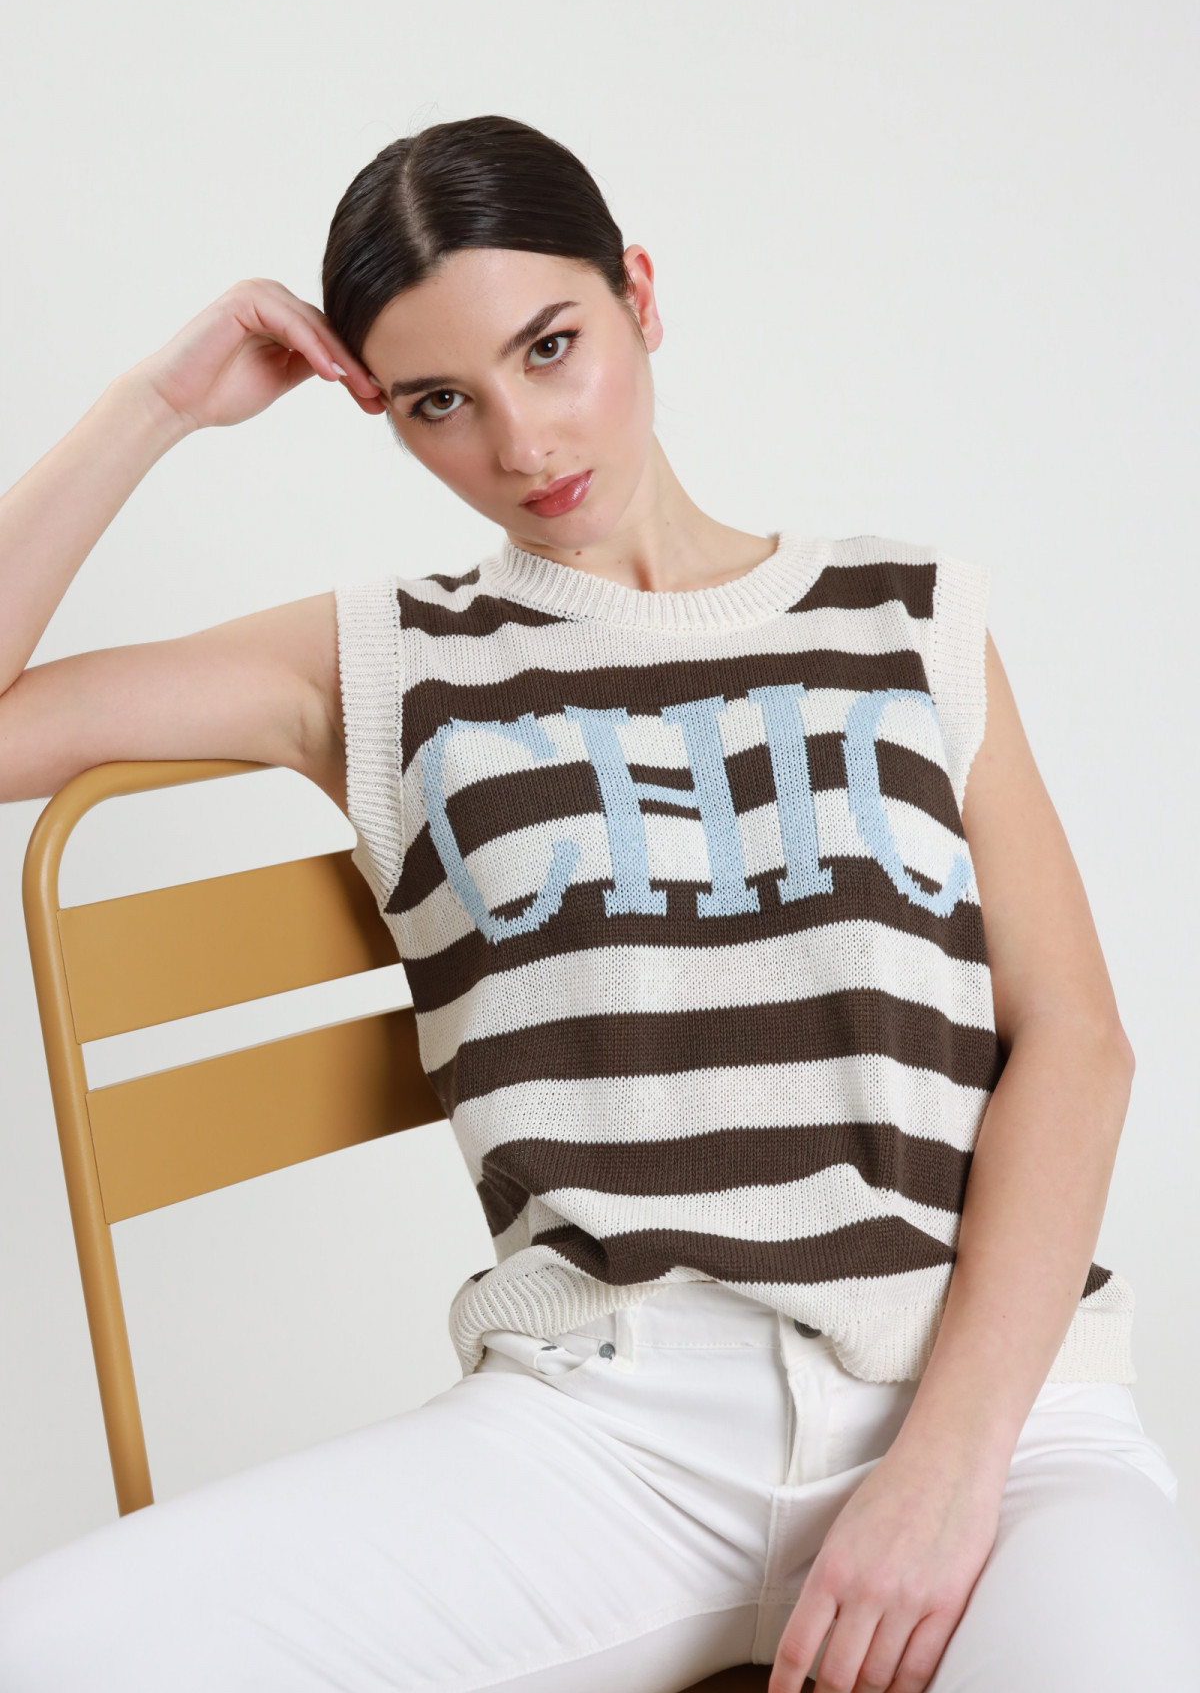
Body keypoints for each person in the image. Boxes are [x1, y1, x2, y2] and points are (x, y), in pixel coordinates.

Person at [0, 114, 1196, 1693]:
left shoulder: (908, 617)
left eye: (551, 347)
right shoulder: (383, 660)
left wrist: (947, 1468)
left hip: (996, 1414)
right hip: (612, 1432)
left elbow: (1080, 1046)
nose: (520, 441)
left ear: (638, 292)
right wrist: (153, 407)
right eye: (439, 402)